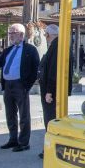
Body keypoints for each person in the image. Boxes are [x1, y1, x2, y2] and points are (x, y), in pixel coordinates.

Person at [0, 23, 40, 152]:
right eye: (10, 33)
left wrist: (27, 86)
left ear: (22, 35)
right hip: (8, 85)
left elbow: (36, 69)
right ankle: (13, 139)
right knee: (10, 114)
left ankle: (23, 142)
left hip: (20, 85)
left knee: (24, 115)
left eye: (13, 33)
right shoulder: (8, 50)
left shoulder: (30, 50)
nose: (10, 36)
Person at [37, 24, 59, 159]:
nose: (45, 37)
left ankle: (50, 151)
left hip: (50, 92)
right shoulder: (55, 46)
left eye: (45, 35)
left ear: (49, 35)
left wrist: (49, 91)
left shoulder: (55, 47)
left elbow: (53, 71)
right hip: (48, 90)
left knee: (50, 122)